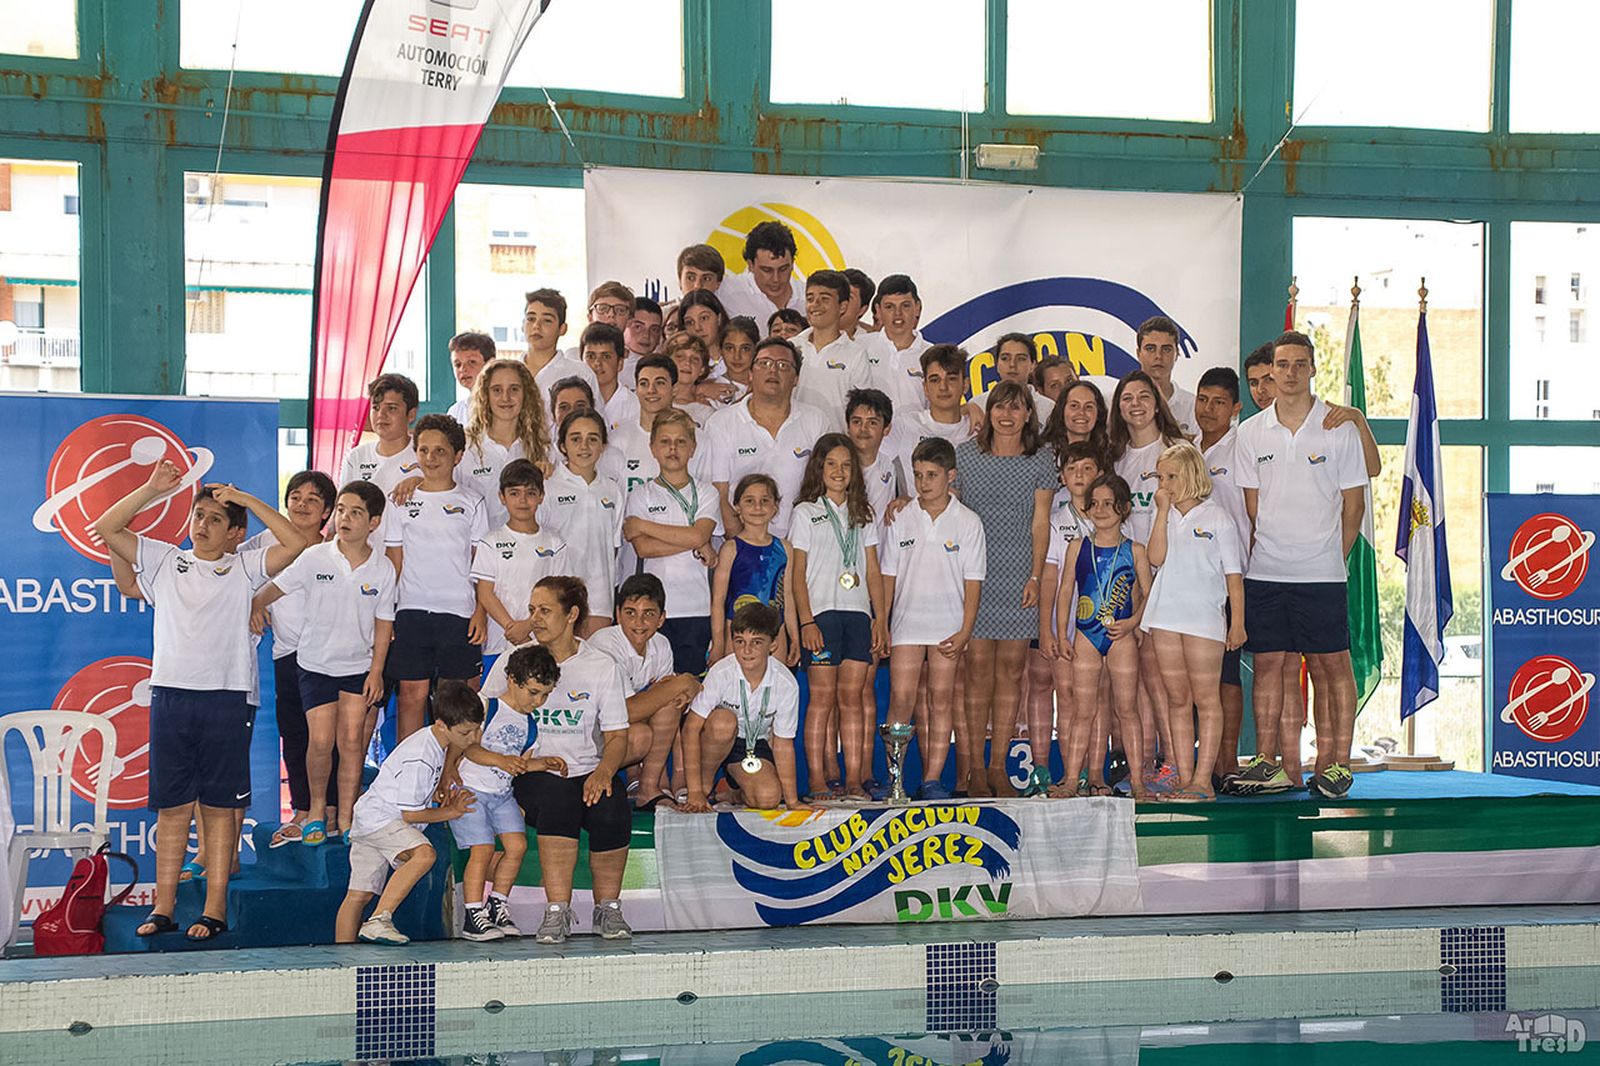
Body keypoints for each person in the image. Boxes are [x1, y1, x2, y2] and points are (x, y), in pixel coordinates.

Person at [94, 463, 308, 942]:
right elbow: (108, 528)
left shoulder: (245, 567)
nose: (203, 525)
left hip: (226, 698)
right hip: (171, 694)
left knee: (216, 808)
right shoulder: (166, 560)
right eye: (199, 515)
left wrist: (248, 499)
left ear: (234, 534)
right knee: (172, 809)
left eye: (215, 519)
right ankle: (164, 906)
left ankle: (213, 910)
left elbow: (296, 544)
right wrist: (151, 489)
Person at [1234, 331, 1369, 800]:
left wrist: (1332, 555)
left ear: (1312, 369)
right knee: (1269, 666)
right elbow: (1253, 508)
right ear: (1271, 371)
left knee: (1332, 669)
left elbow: (1354, 507)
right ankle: (1268, 764)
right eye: (1281, 365)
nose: (1289, 373)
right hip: (1266, 571)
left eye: (1298, 364)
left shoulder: (1338, 428)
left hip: (1323, 575)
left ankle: (1337, 765)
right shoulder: (1250, 433)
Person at [251, 479, 395, 845]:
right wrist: (254, 604)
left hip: (357, 669)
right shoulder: (314, 557)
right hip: (314, 666)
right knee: (319, 742)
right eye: (342, 510)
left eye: (356, 512)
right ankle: (316, 812)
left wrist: (376, 671)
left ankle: (346, 818)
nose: (346, 518)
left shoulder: (383, 569)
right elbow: (271, 589)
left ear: (373, 523)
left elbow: (383, 626)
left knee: (350, 744)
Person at [508, 577, 635, 943]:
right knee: (558, 797)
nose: (535, 618)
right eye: (532, 610)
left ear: (572, 614)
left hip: (586, 769)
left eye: (545, 610)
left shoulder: (600, 666)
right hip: (533, 771)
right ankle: (556, 911)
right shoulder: (514, 660)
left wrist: (604, 772)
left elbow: (617, 737)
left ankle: (607, 909)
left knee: (612, 804)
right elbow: (490, 715)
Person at [955, 381, 1056, 798]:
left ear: (1029, 415)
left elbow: (1040, 522)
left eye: (1017, 408)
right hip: (975, 575)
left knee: (1012, 672)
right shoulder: (964, 457)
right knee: (977, 672)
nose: (1007, 415)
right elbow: (952, 517)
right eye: (1000, 407)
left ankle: (998, 767)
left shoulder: (1042, 459)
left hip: (1019, 577)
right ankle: (974, 770)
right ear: (989, 411)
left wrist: (1034, 576)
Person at [335, 679, 483, 946]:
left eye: (475, 731)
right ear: (441, 724)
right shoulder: (422, 756)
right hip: (383, 820)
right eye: (465, 733)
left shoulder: (433, 741)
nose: (472, 739)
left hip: (369, 818)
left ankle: (342, 960)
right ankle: (379, 920)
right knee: (424, 855)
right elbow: (410, 815)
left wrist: (438, 788)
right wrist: (451, 811)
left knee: (359, 895)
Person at [881, 438, 985, 801]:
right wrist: (882, 621)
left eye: (932, 475)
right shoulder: (900, 517)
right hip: (907, 624)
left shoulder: (969, 522)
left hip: (948, 623)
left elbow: (974, 582)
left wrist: (966, 629)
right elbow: (888, 575)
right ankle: (894, 778)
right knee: (901, 698)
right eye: (918, 475)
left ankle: (933, 779)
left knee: (942, 699)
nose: (923, 483)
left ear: (950, 475)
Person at [1142, 442, 1246, 802]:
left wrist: (1238, 624)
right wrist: (1160, 513)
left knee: (1207, 699)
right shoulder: (1164, 515)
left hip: (1204, 619)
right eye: (1161, 477)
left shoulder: (1218, 517)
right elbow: (1155, 558)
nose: (1165, 483)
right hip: (1165, 616)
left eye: (1172, 476)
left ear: (1191, 475)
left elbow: (1234, 576)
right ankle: (1185, 778)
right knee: (1176, 699)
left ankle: (1204, 781)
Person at [242, 471, 337, 849]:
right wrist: (251, 602)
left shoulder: (335, 548)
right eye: (295, 497)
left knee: (327, 740)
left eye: (312, 500)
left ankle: (330, 810)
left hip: (330, 657)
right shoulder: (265, 542)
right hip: (286, 653)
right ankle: (302, 810)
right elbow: (230, 573)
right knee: (294, 734)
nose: (301, 505)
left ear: (327, 511)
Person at [791, 435, 888, 801]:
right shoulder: (805, 512)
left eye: (846, 465)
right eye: (831, 463)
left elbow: (874, 569)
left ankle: (852, 781)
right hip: (822, 616)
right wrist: (806, 622)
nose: (838, 471)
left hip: (858, 614)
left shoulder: (863, 513)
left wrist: (879, 618)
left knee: (852, 697)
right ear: (819, 467)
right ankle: (816, 779)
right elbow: (798, 573)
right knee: (821, 699)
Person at [384, 414, 489, 740]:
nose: (431, 458)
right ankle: (408, 780)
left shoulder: (473, 501)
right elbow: (393, 562)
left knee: (455, 703)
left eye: (440, 451)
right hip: (412, 611)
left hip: (459, 614)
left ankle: (449, 780)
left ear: (457, 456)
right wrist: (386, 616)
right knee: (411, 698)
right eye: (424, 451)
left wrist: (481, 612)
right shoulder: (400, 500)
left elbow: (482, 567)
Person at [1108, 370, 1187, 787]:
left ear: (1157, 403)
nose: (1135, 404)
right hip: (1125, 578)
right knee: (1132, 678)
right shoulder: (1115, 456)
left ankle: (1173, 763)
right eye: (1126, 398)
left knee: (1161, 679)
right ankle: (1141, 767)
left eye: (1143, 396)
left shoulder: (1176, 450)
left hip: (1167, 578)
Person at [1050, 474, 1152, 801]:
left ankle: (1138, 783)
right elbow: (1065, 590)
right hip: (1085, 636)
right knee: (1083, 710)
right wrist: (1061, 634)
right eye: (1095, 504)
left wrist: (1133, 623)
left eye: (1109, 504)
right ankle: (1070, 780)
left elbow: (1149, 593)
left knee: (1127, 710)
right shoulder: (1077, 547)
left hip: (1120, 636)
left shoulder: (1135, 550)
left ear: (1123, 509)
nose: (1101, 509)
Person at [454, 644, 563, 941]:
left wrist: (543, 764)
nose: (538, 701)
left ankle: (497, 904)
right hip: (472, 790)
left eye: (545, 695)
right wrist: (500, 760)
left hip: (501, 794)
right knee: (483, 849)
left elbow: (520, 765)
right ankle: (472, 913)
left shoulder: (530, 725)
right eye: (533, 692)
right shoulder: (486, 706)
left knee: (516, 846)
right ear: (512, 680)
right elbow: (468, 747)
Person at [587, 574, 703, 808]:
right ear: (618, 615)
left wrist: (678, 774)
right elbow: (625, 713)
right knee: (641, 735)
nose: (639, 622)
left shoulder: (661, 644)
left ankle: (649, 787)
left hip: (617, 731)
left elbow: (669, 702)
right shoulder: (605, 644)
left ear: (661, 619)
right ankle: (639, 781)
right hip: (586, 736)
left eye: (648, 614)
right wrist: (683, 683)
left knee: (671, 704)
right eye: (630, 612)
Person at [702, 335, 830, 539]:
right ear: (751, 373)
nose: (773, 370)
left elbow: (826, 488)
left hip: (801, 544)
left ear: (796, 378)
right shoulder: (721, 423)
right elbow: (719, 492)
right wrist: (747, 546)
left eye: (783, 365)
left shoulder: (816, 421)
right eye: (765, 363)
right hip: (738, 545)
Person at [623, 409, 720, 676]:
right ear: (653, 448)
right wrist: (694, 540)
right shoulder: (641, 495)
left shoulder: (707, 492)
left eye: (680, 442)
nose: (673, 448)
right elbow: (644, 549)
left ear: (693, 447)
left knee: (691, 686)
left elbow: (699, 535)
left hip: (696, 608)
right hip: (654, 610)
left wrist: (642, 525)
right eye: (665, 442)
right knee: (657, 687)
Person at [680, 603, 803, 812]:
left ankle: (731, 792)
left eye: (756, 642)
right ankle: (705, 785)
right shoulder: (721, 672)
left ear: (773, 644)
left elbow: (782, 744)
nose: (746, 651)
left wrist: (792, 802)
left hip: (753, 743)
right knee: (723, 722)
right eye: (740, 642)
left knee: (768, 799)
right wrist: (694, 792)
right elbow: (691, 728)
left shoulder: (786, 683)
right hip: (714, 738)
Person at [1035, 442, 1103, 796]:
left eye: (1087, 468)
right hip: (1066, 627)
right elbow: (1050, 578)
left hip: (1102, 628)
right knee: (1069, 697)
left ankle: (1096, 774)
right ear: (1062, 477)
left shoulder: (1111, 517)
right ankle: (1070, 774)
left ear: (1100, 474)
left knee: (1097, 700)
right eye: (1072, 470)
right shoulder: (1056, 521)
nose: (1079, 476)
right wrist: (1048, 630)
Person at [1194, 366, 1250, 784]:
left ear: (1235, 408)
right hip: (1191, 580)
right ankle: (1197, 760)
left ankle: (1227, 761)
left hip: (1234, 576)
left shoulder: (1243, 449)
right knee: (1195, 675)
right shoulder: (1186, 448)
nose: (1208, 409)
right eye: (1202, 399)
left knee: (1227, 675)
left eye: (1218, 403)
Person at [471, 459, 569, 666]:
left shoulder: (555, 543)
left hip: (543, 642)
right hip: (500, 641)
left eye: (530, 493)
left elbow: (559, 595)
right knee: (498, 697)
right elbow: (485, 593)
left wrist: (528, 626)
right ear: (502, 497)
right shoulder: (490, 541)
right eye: (514, 493)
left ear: (541, 497)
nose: (523, 500)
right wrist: (512, 627)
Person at [541, 410, 626, 637]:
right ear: (562, 446)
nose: (584, 446)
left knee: (593, 664)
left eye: (593, 439)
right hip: (557, 595)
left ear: (602, 446)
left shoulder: (612, 490)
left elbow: (614, 546)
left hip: (600, 597)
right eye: (576, 439)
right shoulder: (548, 487)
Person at [453, 358, 551, 530]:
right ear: (485, 395)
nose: (506, 397)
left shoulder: (543, 448)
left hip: (530, 551)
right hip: (479, 552)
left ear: (526, 394)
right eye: (497, 390)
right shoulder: (465, 446)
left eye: (514, 389)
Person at [710, 473, 795, 664]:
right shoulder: (731, 548)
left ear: (775, 507)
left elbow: (787, 597)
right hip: (738, 631)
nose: (758, 507)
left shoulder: (785, 548)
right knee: (737, 689)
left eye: (765, 500)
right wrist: (718, 643)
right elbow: (718, 601)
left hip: (775, 633)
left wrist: (794, 637)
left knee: (774, 687)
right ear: (737, 507)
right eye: (750, 501)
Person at [341, 374, 421, 539]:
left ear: (411, 414)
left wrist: (425, 483)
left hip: (414, 555)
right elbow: (342, 511)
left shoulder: (427, 454)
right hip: (368, 556)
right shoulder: (356, 457)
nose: (381, 415)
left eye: (391, 408)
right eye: (376, 408)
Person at [793, 269, 872, 431]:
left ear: (842, 306)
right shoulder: (790, 347)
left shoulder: (856, 354)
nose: (815, 305)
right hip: (793, 445)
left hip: (836, 447)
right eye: (810, 298)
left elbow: (861, 411)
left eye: (824, 299)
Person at [601, 355, 681, 495]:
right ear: (636, 389)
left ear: (674, 389)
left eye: (660, 383)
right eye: (644, 383)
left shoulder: (695, 440)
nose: (651, 390)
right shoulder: (616, 439)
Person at [863, 273, 930, 416]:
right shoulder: (860, 347)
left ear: (917, 308)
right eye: (889, 307)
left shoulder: (931, 354)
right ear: (878, 310)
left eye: (905, 306)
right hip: (869, 436)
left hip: (918, 438)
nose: (897, 313)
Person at [522, 288, 602, 405]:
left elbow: (593, 420)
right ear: (522, 325)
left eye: (547, 320)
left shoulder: (581, 374)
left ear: (562, 329)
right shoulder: (508, 372)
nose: (536, 326)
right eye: (531, 319)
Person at [717, 220, 806, 323]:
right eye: (767, 270)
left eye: (783, 269)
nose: (776, 279)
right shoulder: (726, 291)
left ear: (793, 264)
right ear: (750, 265)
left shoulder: (810, 297)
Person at [967, 334, 1055, 433]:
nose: (1012, 364)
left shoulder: (1048, 407)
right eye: (1005, 358)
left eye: (1021, 359)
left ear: (1033, 365)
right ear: (996, 364)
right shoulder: (978, 403)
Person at [1133, 315, 1197, 439]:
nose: (1158, 356)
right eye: (1150, 348)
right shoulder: (1118, 403)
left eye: (1166, 349)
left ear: (1177, 353)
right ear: (1138, 353)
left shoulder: (1192, 406)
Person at [579, 321, 639, 433]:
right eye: (591, 356)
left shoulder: (635, 406)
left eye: (606, 356)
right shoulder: (574, 402)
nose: (597, 363)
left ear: (620, 364)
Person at [1041, 378, 1111, 463]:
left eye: (1089, 407)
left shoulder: (1109, 455)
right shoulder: (1042, 456)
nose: (1081, 412)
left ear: (1098, 413)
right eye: (1074, 406)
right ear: (1062, 410)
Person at [664, 331, 718, 425]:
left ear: (702, 369)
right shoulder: (651, 400)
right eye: (680, 356)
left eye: (695, 359)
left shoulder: (707, 413)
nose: (687, 363)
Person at [447, 331, 496, 425]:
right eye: (457, 364)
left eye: (472, 362)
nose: (463, 369)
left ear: (490, 364)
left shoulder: (504, 405)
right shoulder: (455, 412)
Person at [715, 316, 760, 402]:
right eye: (729, 348)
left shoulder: (767, 383)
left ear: (756, 349)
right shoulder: (713, 390)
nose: (737, 356)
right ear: (720, 350)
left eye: (745, 349)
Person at [623, 296, 666, 382]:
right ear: (624, 325)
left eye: (654, 329)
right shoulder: (610, 364)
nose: (646, 335)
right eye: (638, 327)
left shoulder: (666, 366)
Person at [841, 267, 875, 339]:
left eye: (849, 297)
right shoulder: (811, 333)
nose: (839, 301)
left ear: (862, 310)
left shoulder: (871, 345)